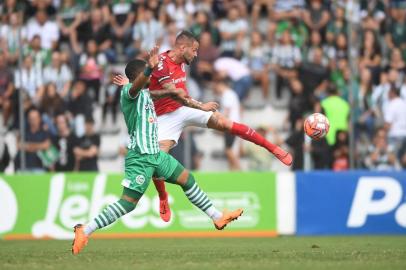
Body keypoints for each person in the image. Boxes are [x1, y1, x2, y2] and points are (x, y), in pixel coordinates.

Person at [72, 47, 243, 255]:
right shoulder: (128, 93)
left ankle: (217, 216)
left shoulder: (144, 93)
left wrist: (186, 99)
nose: (152, 75)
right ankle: (85, 229)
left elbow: (155, 92)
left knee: (187, 179)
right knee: (128, 204)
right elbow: (136, 88)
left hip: (156, 155)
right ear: (140, 75)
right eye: (149, 73)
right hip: (141, 157)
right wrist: (149, 69)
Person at [114, 30, 292, 223]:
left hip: (184, 107)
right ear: (183, 47)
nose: (196, 54)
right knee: (158, 160)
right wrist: (202, 106)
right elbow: (174, 93)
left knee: (225, 122)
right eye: (195, 50)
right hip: (164, 117)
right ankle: (163, 198)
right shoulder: (163, 64)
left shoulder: (182, 61)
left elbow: (177, 96)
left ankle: (272, 148)